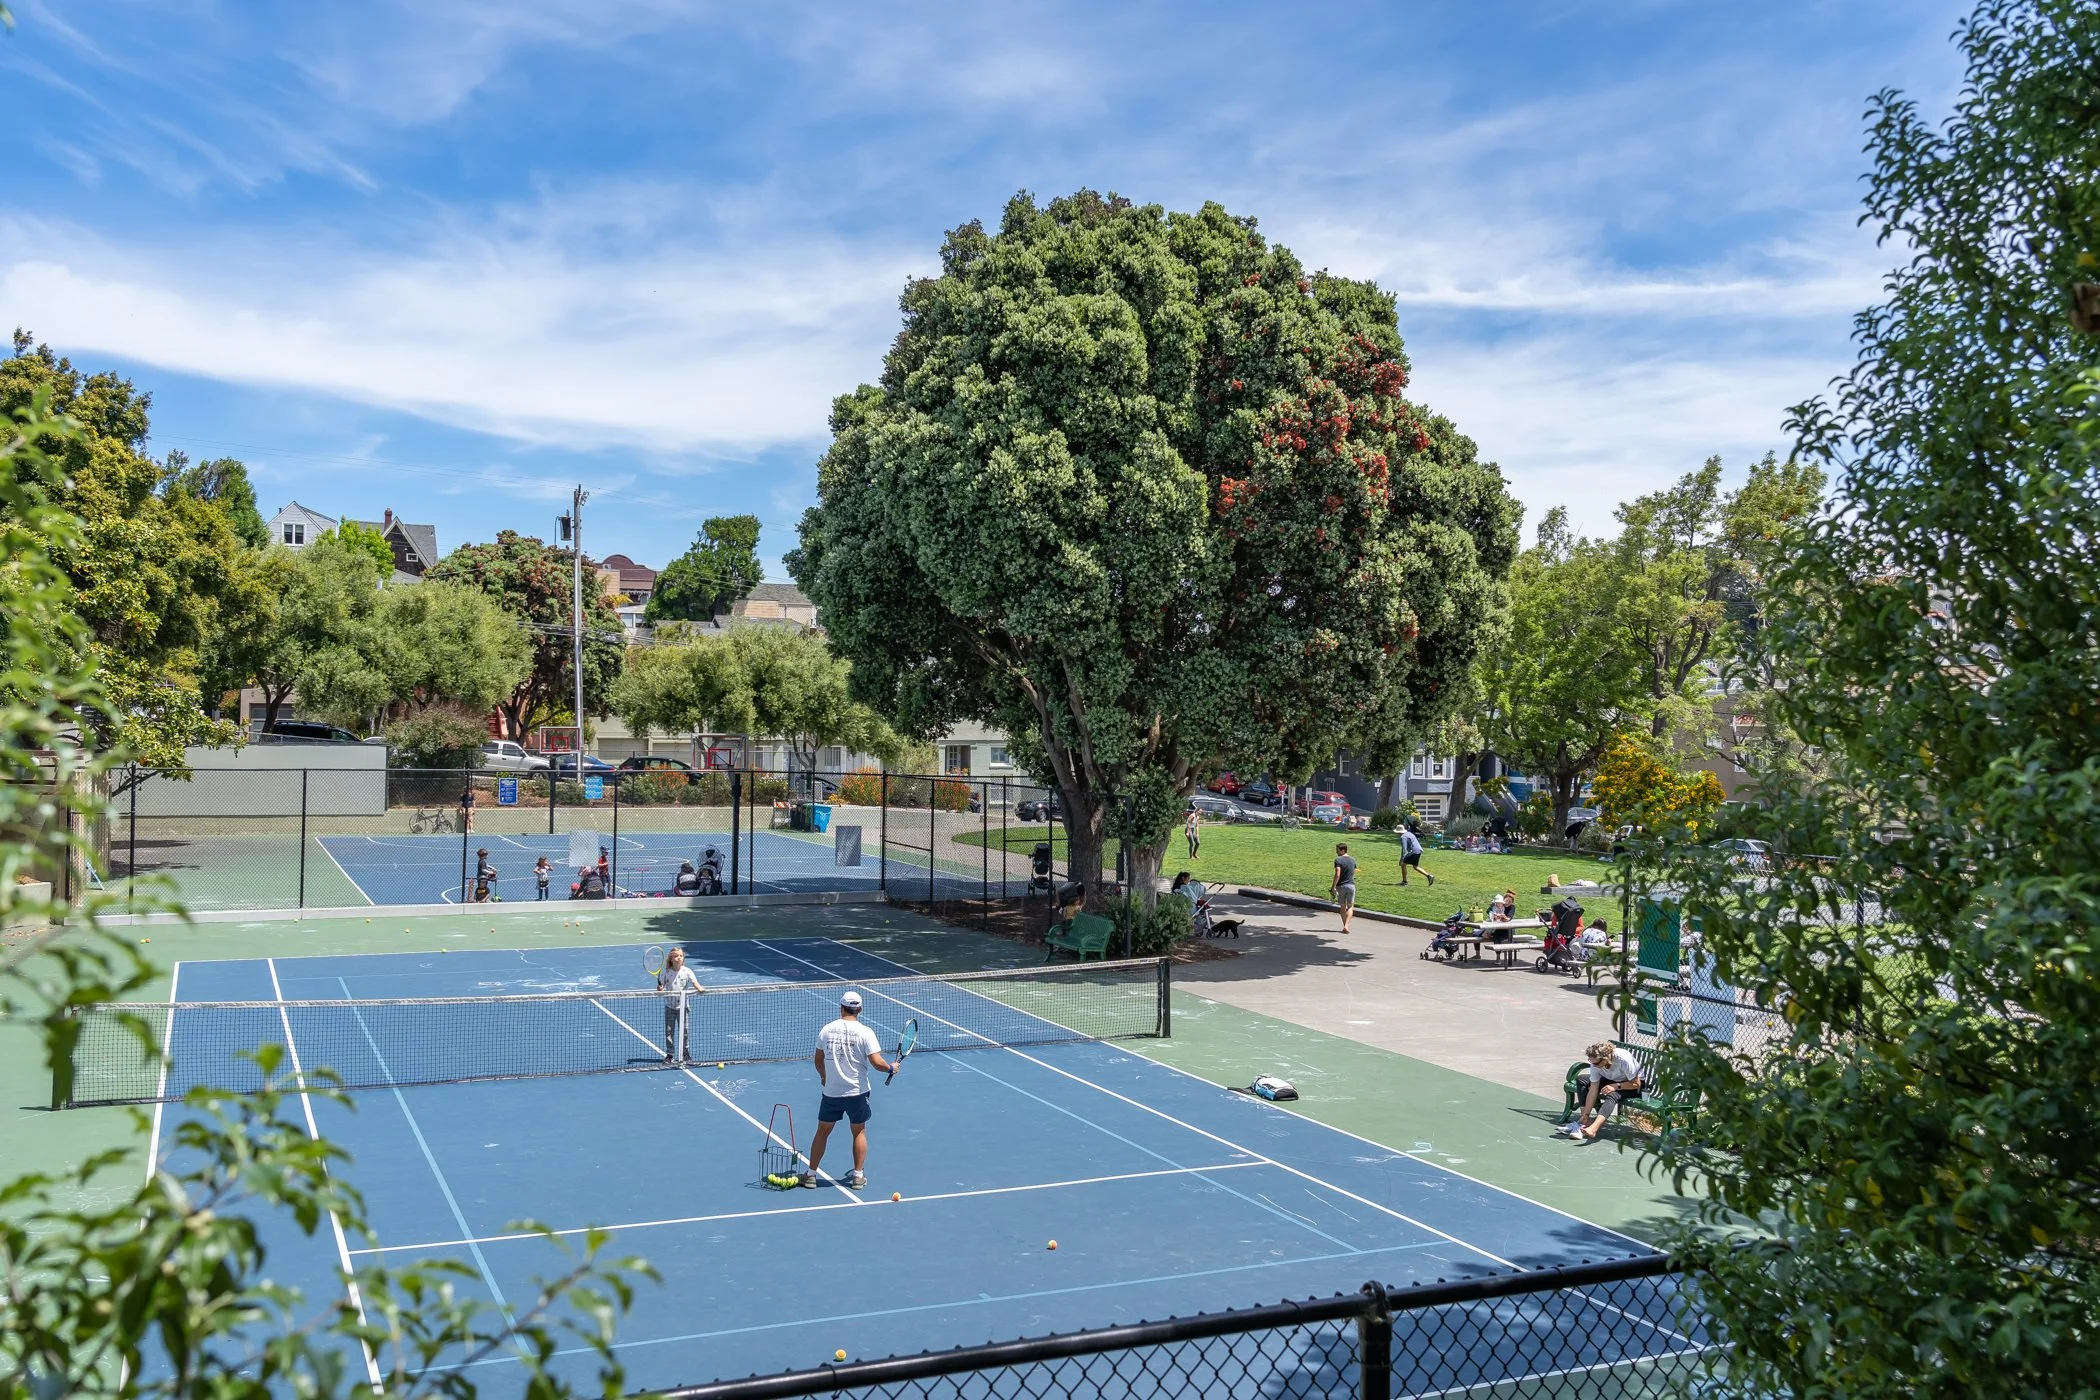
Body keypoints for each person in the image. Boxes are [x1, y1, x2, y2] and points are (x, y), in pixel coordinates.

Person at [801, 990, 896, 1190]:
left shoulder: (827, 1029)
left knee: (822, 1132)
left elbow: (818, 1060)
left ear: (841, 1007)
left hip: (831, 1092)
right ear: (859, 1009)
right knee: (859, 1131)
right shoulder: (866, 1032)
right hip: (857, 1092)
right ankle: (858, 1177)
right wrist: (890, 1068)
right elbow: (877, 1063)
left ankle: (810, 1175)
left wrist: (824, 1077)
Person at [1562, 1041, 1643, 1143]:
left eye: (1596, 1063)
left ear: (1605, 1059)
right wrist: (1586, 1114)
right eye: (1591, 1062)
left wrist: (1616, 1086)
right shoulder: (1595, 1063)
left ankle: (1593, 1129)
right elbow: (1593, 1088)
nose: (1593, 1066)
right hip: (1613, 1080)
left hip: (1632, 1085)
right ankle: (1585, 1121)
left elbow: (1637, 1084)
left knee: (1612, 1095)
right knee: (1582, 1080)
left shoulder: (1623, 1059)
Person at [656, 946, 704, 1062]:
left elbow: (695, 982)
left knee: (685, 1031)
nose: (679, 958)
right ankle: (670, 1054)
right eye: (676, 956)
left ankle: (685, 1053)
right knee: (669, 1032)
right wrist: (659, 989)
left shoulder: (687, 971)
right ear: (671, 959)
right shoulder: (666, 973)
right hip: (669, 1006)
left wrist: (700, 988)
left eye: (681, 956)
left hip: (683, 1007)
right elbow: (660, 988)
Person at [1330, 843, 1358, 934]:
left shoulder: (1338, 860)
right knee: (1350, 906)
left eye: (1337, 850)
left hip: (1341, 886)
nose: (1336, 852)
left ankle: (1344, 926)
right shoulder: (1353, 860)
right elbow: (1353, 872)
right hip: (1351, 885)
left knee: (1343, 906)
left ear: (1343, 850)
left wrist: (1333, 886)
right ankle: (1346, 926)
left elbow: (1337, 874)